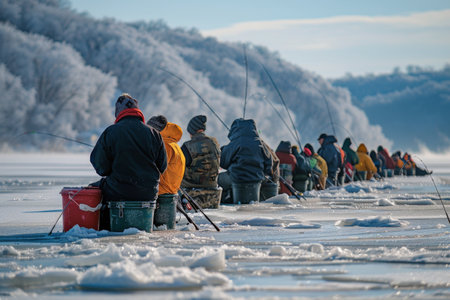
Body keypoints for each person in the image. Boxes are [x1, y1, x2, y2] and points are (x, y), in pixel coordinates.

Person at [90, 94, 167, 230]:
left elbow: (101, 168)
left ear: (118, 112)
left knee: (93, 187)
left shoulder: (111, 132)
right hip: (148, 193)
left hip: (117, 192)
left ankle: (103, 226)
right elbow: (163, 166)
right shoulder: (155, 134)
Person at [219, 118, 272, 204]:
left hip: (237, 178)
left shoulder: (235, 143)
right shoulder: (260, 143)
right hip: (257, 179)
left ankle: (226, 202)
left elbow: (223, 163)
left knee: (218, 179)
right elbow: (269, 163)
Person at [180, 115, 221, 208]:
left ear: (192, 130)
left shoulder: (187, 146)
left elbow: (179, 166)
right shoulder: (215, 142)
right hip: (213, 184)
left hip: (192, 186)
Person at [147, 115, 185, 195]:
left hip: (162, 192)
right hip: (169, 191)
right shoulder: (173, 145)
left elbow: (153, 169)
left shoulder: (165, 146)